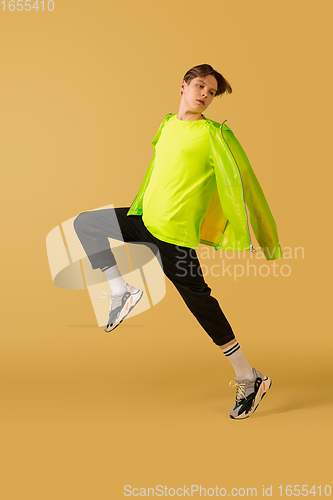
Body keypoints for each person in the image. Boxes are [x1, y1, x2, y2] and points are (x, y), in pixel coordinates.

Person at [73, 64, 283, 420]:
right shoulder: (168, 124)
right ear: (183, 85)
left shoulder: (216, 135)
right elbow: (157, 170)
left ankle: (250, 377)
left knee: (202, 304)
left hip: (175, 238)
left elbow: (246, 184)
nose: (204, 94)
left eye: (211, 92)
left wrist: (264, 239)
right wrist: (140, 205)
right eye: (200, 86)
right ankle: (122, 291)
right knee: (86, 224)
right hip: (144, 220)